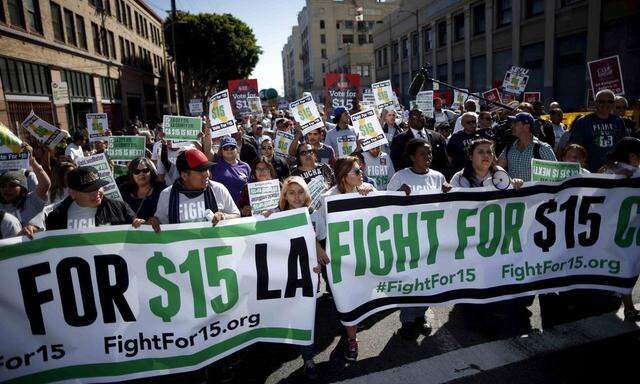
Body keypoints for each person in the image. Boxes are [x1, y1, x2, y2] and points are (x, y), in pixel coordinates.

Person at [261, 176, 330, 379]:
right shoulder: (274, 214)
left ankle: (308, 358)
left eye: (300, 192)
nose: (296, 197)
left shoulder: (313, 214)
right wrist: (263, 218)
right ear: (284, 195)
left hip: (307, 274)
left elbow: (314, 238)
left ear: (306, 194)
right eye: (291, 193)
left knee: (305, 315)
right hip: (281, 276)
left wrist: (317, 258)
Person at [315, 156, 375, 361]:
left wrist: (370, 194)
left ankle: (354, 324)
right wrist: (319, 250)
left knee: (359, 296)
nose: (361, 175)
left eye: (360, 171)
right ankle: (352, 338)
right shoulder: (327, 198)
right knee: (347, 299)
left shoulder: (366, 189)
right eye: (356, 172)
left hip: (364, 256)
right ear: (343, 177)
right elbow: (315, 227)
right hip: (339, 260)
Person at [146, 148, 239, 228]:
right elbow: (160, 224)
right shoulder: (167, 195)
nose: (207, 174)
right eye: (201, 170)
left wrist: (224, 216)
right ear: (184, 176)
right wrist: (153, 222)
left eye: (207, 169)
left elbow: (237, 215)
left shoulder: (218, 189)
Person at [600, 137, 640, 321]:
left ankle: (624, 301)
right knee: (628, 265)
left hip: (612, 229)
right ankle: (628, 306)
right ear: (632, 156)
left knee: (624, 264)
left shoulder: (608, 170)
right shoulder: (618, 172)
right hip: (625, 231)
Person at [44, 166, 135, 230]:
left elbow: (137, 234)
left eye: (98, 187)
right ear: (73, 193)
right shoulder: (56, 217)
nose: (96, 193)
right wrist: (32, 233)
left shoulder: (120, 209)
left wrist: (143, 225)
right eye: (89, 190)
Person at [568, 89, 630, 172]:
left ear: (614, 104)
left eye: (609, 101)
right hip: (590, 171)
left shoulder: (618, 121)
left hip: (614, 171)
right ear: (595, 103)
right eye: (602, 101)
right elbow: (575, 147)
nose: (606, 104)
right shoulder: (583, 121)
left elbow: (625, 146)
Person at [0, 144, 51, 227]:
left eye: (12, 185)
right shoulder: (1, 208)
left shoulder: (32, 202)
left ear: (22, 188)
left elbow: (45, 185)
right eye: (3, 186)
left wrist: (32, 161)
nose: (7, 189)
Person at [390, 109, 450, 177]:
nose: (420, 118)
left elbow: (445, 162)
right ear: (409, 120)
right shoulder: (399, 140)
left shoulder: (438, 137)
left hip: (434, 180)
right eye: (415, 116)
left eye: (421, 116)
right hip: (411, 181)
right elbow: (396, 164)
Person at [498, 112, 557, 181]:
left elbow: (555, 174)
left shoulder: (543, 148)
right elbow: (498, 166)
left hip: (535, 192)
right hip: (512, 191)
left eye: (515, 123)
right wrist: (491, 147)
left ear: (526, 126)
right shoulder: (509, 146)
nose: (511, 126)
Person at [450, 139, 523, 189]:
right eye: (480, 152)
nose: (486, 155)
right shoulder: (459, 178)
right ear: (471, 157)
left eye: (489, 152)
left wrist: (516, 184)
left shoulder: (500, 173)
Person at [210, 136, 251, 206]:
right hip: (220, 208)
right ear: (221, 151)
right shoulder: (216, 162)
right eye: (226, 148)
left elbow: (250, 188)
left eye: (232, 147)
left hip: (241, 209)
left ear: (237, 149)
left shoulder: (245, 166)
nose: (229, 150)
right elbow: (208, 149)